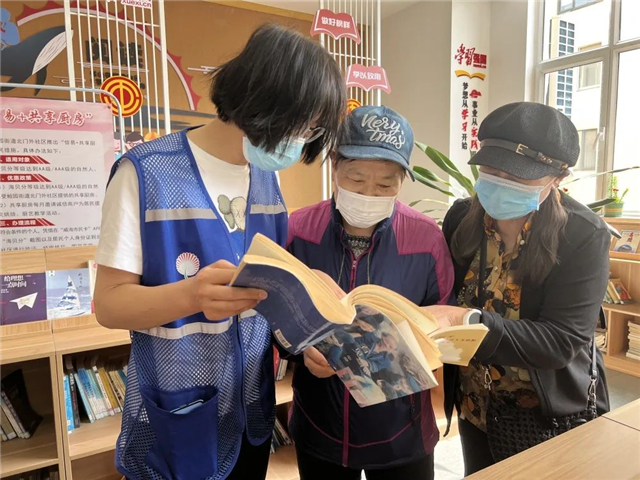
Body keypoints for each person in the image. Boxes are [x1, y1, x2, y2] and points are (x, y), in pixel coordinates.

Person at [94, 24, 345, 480]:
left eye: (313, 129)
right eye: (305, 125)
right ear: (267, 101)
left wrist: (310, 317)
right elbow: (109, 305)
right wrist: (191, 296)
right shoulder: (145, 173)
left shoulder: (265, 179)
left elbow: (265, 295)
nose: (304, 139)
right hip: (178, 413)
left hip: (250, 411)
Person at [423, 102, 611, 475]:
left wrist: (469, 321)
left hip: (546, 413)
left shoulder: (583, 234)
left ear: (558, 177)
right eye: (491, 171)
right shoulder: (462, 218)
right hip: (476, 404)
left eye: (518, 177)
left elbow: (560, 342)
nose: (501, 182)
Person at [286, 105, 455, 480]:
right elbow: (273, 314)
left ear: (403, 181)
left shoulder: (427, 239)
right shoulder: (298, 230)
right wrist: (301, 350)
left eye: (385, 185)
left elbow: (445, 321)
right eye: (357, 179)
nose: (368, 193)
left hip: (402, 432)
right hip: (320, 424)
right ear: (334, 165)